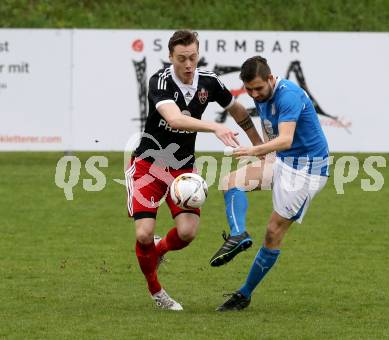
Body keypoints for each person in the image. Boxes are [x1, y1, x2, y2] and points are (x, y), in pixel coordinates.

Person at [125, 30, 262, 311]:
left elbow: (237, 110)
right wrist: (214, 126)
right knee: (142, 233)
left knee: (187, 233)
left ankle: (159, 249)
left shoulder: (209, 82)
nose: (188, 64)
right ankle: (157, 292)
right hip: (148, 166)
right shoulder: (160, 81)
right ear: (170, 57)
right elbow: (174, 119)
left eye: (193, 57)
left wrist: (260, 146)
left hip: (182, 167)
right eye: (182, 58)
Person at [214, 56, 330, 311]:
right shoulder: (262, 97)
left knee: (272, 232)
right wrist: (263, 150)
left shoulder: (289, 95)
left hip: (308, 170)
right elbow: (272, 135)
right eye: (250, 90)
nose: (254, 94)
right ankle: (238, 235)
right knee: (229, 182)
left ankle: (244, 294)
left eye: (259, 88)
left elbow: (286, 139)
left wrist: (255, 151)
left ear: (270, 78)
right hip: (284, 161)